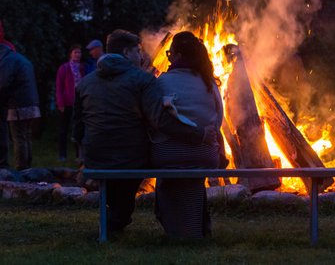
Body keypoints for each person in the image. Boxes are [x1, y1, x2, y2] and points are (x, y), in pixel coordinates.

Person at [72, 29, 214, 232]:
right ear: (127, 52)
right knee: (165, 156)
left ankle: (119, 214)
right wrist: (199, 135)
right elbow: (160, 121)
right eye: (138, 51)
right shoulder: (142, 80)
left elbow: (77, 127)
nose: (141, 56)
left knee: (121, 188)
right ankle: (124, 216)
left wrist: (83, 153)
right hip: (131, 158)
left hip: (95, 156)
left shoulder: (85, 82)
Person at [151, 31, 224, 238]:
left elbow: (154, 119)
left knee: (168, 175)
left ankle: (176, 226)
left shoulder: (161, 82)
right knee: (194, 175)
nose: (168, 58)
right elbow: (218, 121)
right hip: (205, 155)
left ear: (179, 55)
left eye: (169, 53)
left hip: (166, 155)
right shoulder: (210, 83)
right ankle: (195, 227)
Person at [0, 42, 41, 170]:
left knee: (18, 137)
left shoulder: (8, 61)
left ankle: (21, 169)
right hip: (31, 103)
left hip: (18, 104)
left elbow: (3, 83)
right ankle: (28, 167)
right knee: (26, 136)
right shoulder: (22, 59)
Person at [56, 44, 85, 162]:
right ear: (70, 54)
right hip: (67, 102)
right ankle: (62, 155)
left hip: (80, 102)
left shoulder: (83, 67)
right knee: (64, 129)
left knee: (78, 128)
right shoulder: (64, 68)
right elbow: (59, 86)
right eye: (75, 52)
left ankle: (79, 155)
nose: (78, 54)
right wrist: (60, 102)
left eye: (79, 52)